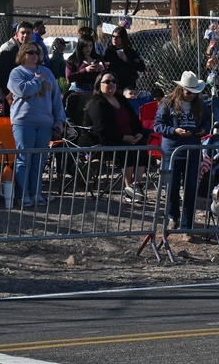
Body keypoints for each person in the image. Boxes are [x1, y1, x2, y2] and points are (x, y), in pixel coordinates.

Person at [8, 41, 66, 207]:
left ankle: (36, 193)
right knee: (24, 159)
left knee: (39, 160)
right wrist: (36, 80)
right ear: (23, 55)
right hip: (24, 122)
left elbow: (56, 99)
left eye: (37, 53)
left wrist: (59, 120)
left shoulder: (47, 72)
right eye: (30, 53)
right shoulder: (16, 73)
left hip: (45, 122)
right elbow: (22, 91)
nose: (34, 56)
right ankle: (23, 194)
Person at [155, 72, 211, 230]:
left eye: (195, 92)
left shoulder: (201, 105)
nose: (191, 95)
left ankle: (187, 225)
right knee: (172, 187)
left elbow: (207, 122)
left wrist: (203, 130)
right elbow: (158, 125)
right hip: (172, 151)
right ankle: (173, 216)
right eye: (188, 92)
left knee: (191, 188)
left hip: (193, 151)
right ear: (181, 89)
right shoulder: (168, 103)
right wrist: (174, 130)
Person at [84, 71, 150, 201]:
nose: (111, 84)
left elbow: (135, 121)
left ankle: (135, 186)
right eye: (107, 81)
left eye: (114, 81)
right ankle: (128, 189)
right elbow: (102, 129)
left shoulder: (121, 99)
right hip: (106, 140)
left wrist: (138, 133)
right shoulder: (97, 103)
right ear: (99, 84)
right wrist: (123, 138)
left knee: (142, 149)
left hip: (129, 138)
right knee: (128, 151)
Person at [0, 21, 33, 108]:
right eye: (22, 33)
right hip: (12, 95)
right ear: (16, 34)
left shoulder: (34, 50)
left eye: (28, 33)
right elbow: (1, 75)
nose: (25, 36)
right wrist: (8, 93)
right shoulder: (8, 50)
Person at [105, 26, 146, 92]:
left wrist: (126, 60)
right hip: (114, 83)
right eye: (113, 36)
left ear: (123, 38)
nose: (115, 39)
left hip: (128, 84)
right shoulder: (109, 51)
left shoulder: (130, 52)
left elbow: (142, 67)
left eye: (117, 37)